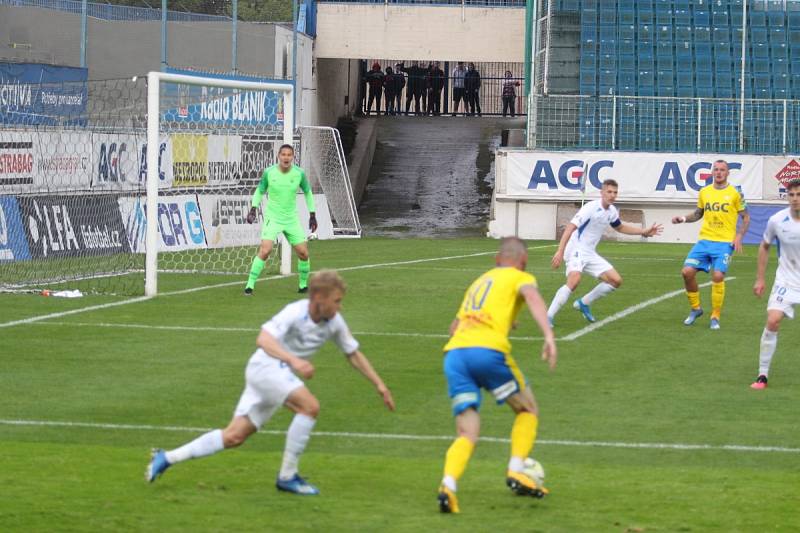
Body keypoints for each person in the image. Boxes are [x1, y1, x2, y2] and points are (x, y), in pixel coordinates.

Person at [146, 270, 396, 494]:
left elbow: (353, 353)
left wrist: (380, 385)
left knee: (234, 436)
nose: (340, 307)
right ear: (319, 297)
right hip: (266, 367)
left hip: (277, 375)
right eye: (337, 301)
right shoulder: (295, 312)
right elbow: (263, 339)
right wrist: (294, 361)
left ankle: (166, 458)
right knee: (310, 407)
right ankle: (287, 477)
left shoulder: (334, 323)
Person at [437, 237, 557, 514]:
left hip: (455, 355)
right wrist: (549, 335)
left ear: (496, 259)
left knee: (466, 432)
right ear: (523, 262)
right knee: (527, 410)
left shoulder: (479, 281)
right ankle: (516, 470)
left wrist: (504, 319)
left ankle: (448, 486)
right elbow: (533, 297)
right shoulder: (521, 277)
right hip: (487, 352)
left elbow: (455, 326)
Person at [548, 179, 663, 324]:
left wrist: (643, 231)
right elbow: (570, 227)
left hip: (589, 252)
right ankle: (548, 316)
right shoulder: (590, 207)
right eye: (609, 192)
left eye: (615, 192)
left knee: (615, 281)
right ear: (602, 193)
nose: (612, 195)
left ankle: (584, 303)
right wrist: (560, 251)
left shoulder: (612, 211)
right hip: (576, 248)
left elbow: (620, 227)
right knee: (574, 280)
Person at [671, 160, 750, 329]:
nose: (719, 173)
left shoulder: (736, 193)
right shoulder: (704, 191)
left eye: (722, 170)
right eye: (716, 170)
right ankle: (695, 309)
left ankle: (715, 315)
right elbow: (698, 213)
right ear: (712, 173)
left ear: (728, 173)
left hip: (724, 243)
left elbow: (746, 217)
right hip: (704, 241)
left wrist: (739, 235)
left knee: (718, 276)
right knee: (686, 272)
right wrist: (683, 219)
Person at [243, 144, 316, 295]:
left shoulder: (299, 174)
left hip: (291, 219)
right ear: (279, 156)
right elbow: (259, 190)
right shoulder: (269, 172)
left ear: (293, 157)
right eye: (283, 154)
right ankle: (249, 286)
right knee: (265, 250)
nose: (286, 157)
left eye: (289, 155)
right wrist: (253, 208)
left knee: (303, 253)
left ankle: (303, 286)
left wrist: (313, 214)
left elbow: (308, 192)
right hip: (273, 218)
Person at [750, 179, 800, 389]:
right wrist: (760, 278)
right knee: (772, 320)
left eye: (799, 194)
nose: (796, 199)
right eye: (792, 195)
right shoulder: (777, 220)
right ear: (787, 196)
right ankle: (762, 375)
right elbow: (764, 246)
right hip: (786, 280)